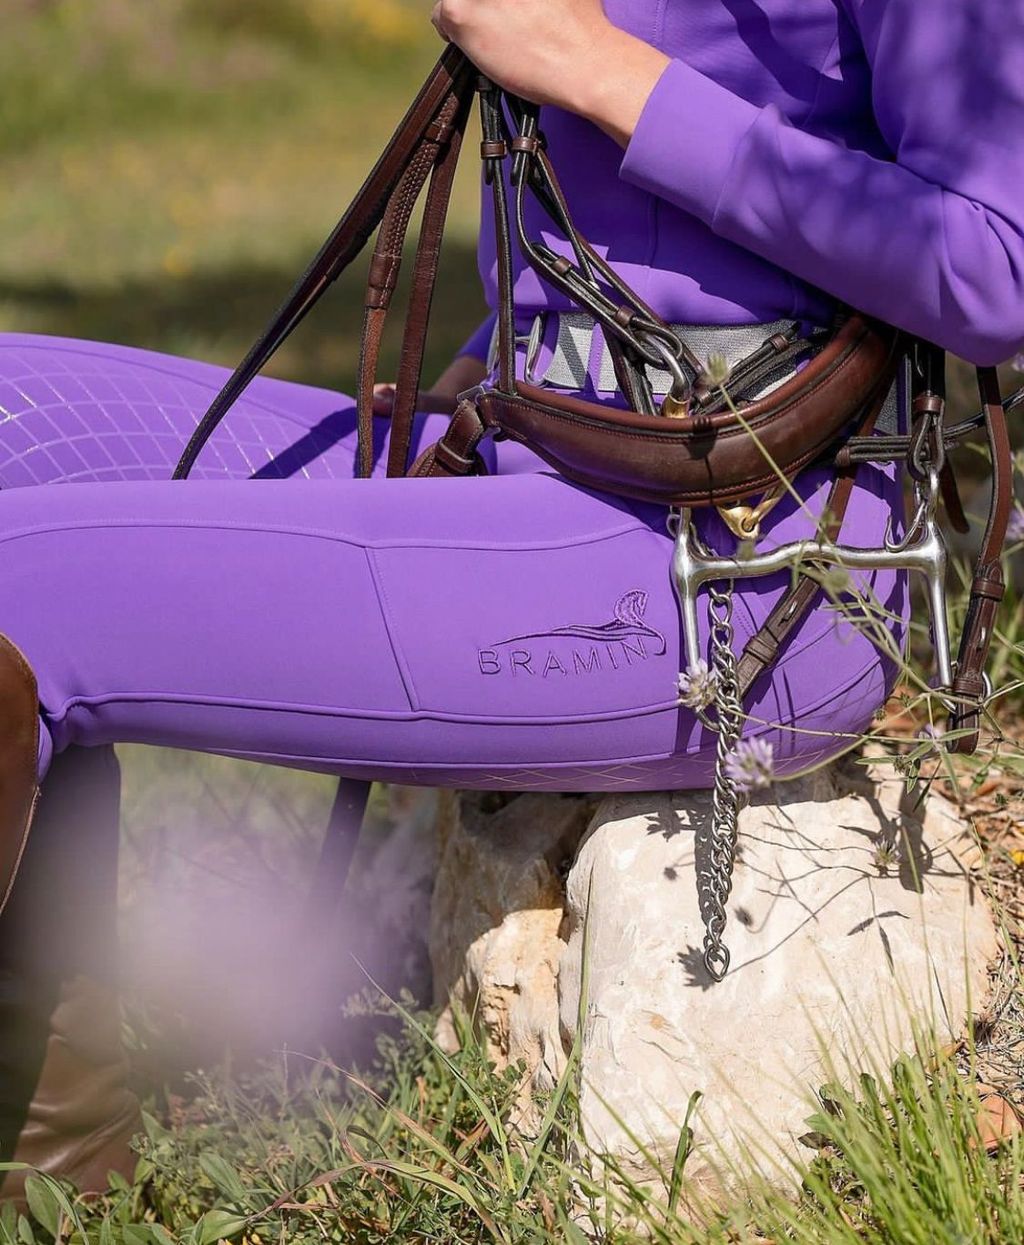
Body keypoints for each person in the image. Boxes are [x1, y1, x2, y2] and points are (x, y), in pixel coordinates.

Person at [0, 0, 1021, 1201]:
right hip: (538, 451)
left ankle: (56, 1180)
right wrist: (499, 361)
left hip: (748, 562)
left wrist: (599, 69)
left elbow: (993, 265)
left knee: (23, 585)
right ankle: (60, 1181)